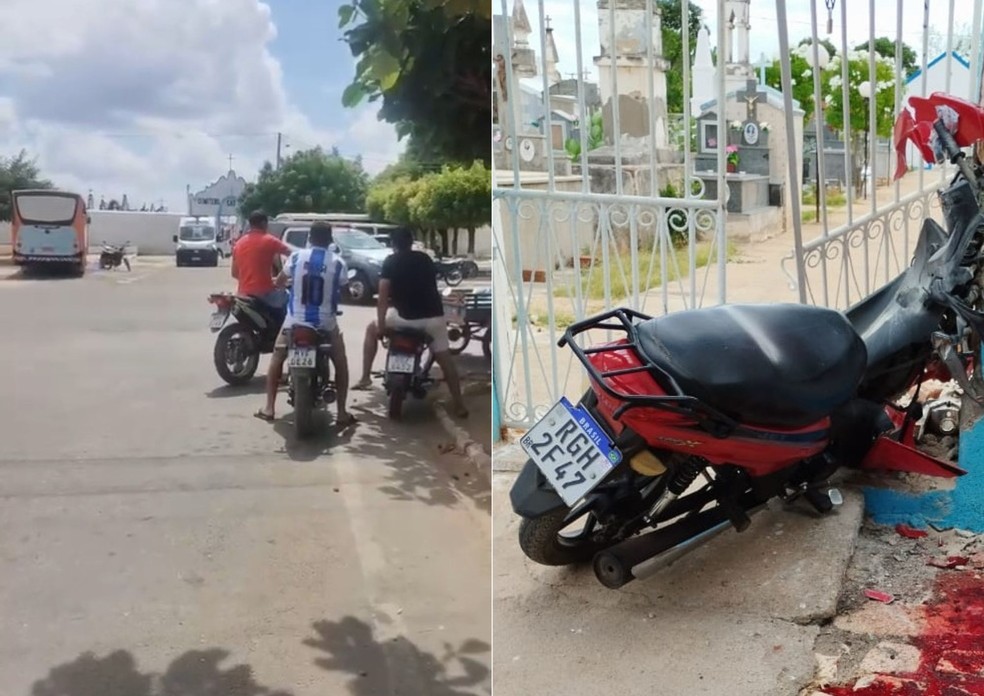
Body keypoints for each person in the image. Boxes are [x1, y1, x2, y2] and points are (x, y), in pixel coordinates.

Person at [353, 228, 468, 418]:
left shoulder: (391, 262)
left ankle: (365, 377)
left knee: (370, 329)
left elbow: (382, 297)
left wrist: (381, 325)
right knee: (446, 360)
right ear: (411, 241)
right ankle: (459, 405)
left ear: (393, 245)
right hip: (431, 320)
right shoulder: (425, 259)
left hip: (402, 319)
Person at [254, 222, 355, 427]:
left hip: (295, 321)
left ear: (310, 238)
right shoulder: (337, 262)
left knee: (277, 358)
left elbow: (280, 282)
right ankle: (342, 412)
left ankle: (269, 408)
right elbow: (344, 290)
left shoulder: (296, 257)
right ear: (330, 240)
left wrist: (282, 282)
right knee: (341, 363)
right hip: (325, 323)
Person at [230, 210, 291, 311]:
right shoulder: (270, 240)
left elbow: (234, 273)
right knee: (291, 299)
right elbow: (295, 256)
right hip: (265, 293)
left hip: (243, 294)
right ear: (264, 223)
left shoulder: (239, 244)